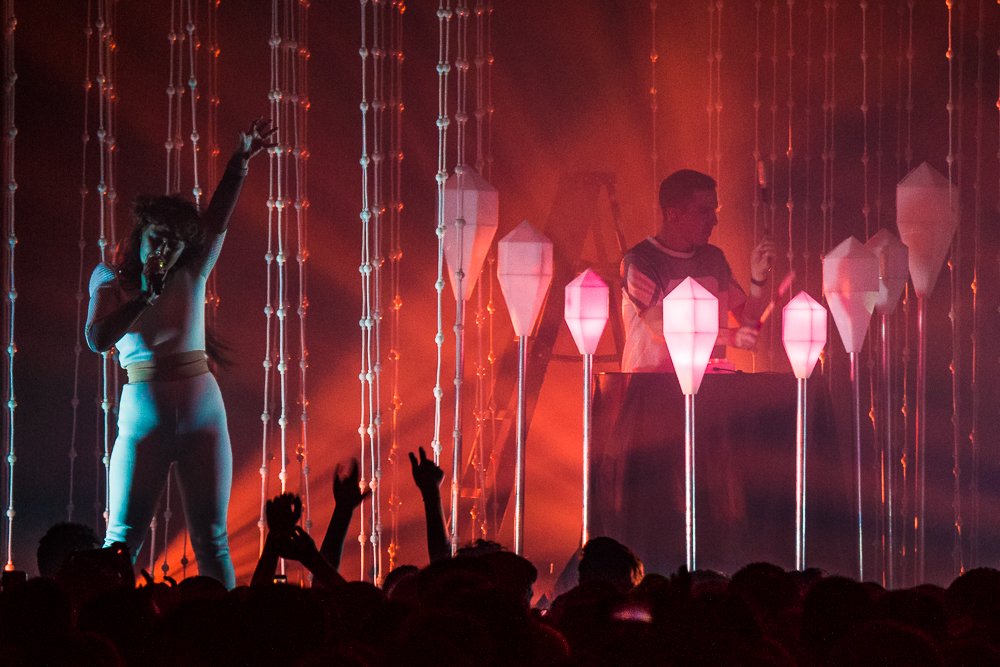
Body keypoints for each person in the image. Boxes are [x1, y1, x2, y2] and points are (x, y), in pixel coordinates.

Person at [85, 119, 275, 589]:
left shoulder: (193, 270)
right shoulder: (109, 279)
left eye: (173, 244)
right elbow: (97, 339)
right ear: (141, 238)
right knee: (120, 539)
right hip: (142, 420)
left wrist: (240, 160)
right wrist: (143, 297)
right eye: (157, 240)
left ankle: (226, 633)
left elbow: (218, 219)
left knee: (212, 538)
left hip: (202, 417)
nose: (165, 250)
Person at [620, 169, 776, 373]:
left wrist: (757, 280)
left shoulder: (714, 258)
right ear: (673, 214)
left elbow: (747, 324)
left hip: (710, 385)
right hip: (651, 388)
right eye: (704, 211)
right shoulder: (641, 260)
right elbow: (660, 326)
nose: (714, 220)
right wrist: (729, 337)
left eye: (714, 211)